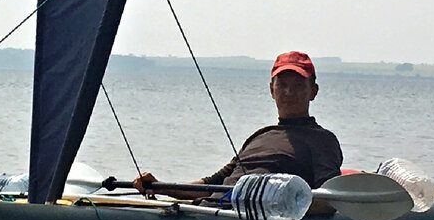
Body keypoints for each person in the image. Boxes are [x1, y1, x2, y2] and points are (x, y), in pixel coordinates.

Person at [134, 50, 343, 194]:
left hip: (250, 219)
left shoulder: (322, 140)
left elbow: (330, 199)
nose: (288, 93)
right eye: (282, 85)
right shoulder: (261, 135)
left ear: (313, 92)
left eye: (298, 86)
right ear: (272, 89)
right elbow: (213, 183)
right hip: (212, 207)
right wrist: (160, 186)